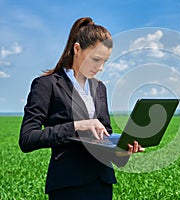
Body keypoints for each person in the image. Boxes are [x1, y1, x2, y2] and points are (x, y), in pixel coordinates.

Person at [19, 17, 144, 200]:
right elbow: (27, 138)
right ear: (77, 49)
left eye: (104, 61)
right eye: (96, 59)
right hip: (68, 186)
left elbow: (104, 136)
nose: (100, 68)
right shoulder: (47, 85)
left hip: (102, 184)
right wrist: (77, 125)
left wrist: (122, 151)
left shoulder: (100, 88)